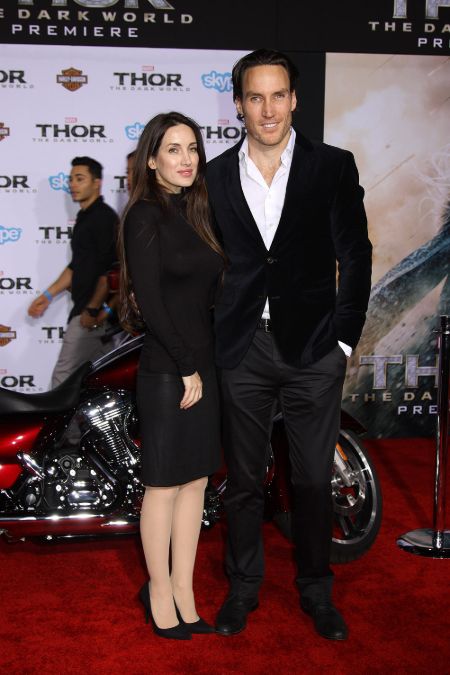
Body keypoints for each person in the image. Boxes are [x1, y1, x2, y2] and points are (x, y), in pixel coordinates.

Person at [206, 49, 372, 641]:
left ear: (295, 100)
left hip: (314, 349)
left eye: (278, 96)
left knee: (311, 481)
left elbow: (355, 254)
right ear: (238, 105)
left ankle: (316, 589)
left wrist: (344, 339)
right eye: (255, 97)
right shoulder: (215, 176)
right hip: (244, 350)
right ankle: (243, 587)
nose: (268, 109)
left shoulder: (333, 166)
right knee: (244, 482)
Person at [118, 112, 224, 640]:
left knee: (197, 481)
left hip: (205, 365)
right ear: (152, 159)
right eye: (173, 149)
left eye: (192, 148)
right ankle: (158, 590)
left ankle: (185, 590)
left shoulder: (198, 212)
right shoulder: (144, 215)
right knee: (162, 485)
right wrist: (186, 367)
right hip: (168, 369)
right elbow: (153, 303)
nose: (186, 159)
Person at [28, 156, 118, 388]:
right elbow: (76, 266)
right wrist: (46, 296)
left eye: (80, 179)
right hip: (92, 315)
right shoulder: (84, 217)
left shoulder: (104, 218)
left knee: (62, 379)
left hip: (91, 316)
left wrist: (94, 309)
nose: (73, 185)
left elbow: (111, 269)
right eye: (71, 179)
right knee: (100, 381)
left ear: (96, 183)